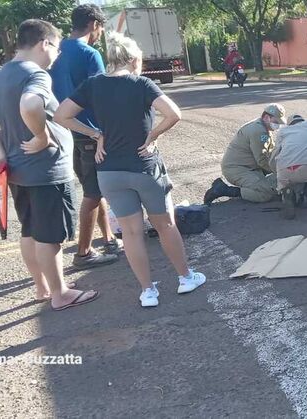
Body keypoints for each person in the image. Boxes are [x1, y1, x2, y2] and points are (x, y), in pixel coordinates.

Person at [55, 32, 206, 308]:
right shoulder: (142, 84)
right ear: (135, 59)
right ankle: (186, 277)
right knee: (165, 225)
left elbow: (61, 115)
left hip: (109, 171)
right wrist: (153, 136)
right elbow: (173, 113)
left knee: (131, 232)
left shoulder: (93, 85)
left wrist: (95, 134)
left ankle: (147, 291)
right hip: (144, 166)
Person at [0, 19, 99, 310]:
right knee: (50, 237)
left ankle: (41, 288)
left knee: (30, 231)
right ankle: (61, 294)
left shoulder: (2, 75)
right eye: (56, 48)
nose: (56, 56)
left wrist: (3, 155)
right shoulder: (36, 74)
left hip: (19, 171)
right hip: (45, 170)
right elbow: (31, 104)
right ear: (44, 43)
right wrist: (42, 136)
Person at [49, 3, 121, 268]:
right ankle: (83, 253)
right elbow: (100, 94)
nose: (99, 34)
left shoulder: (55, 52)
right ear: (94, 25)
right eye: (100, 28)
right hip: (91, 131)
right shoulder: (90, 54)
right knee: (92, 193)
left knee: (93, 187)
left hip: (65, 131)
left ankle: (109, 237)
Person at [203, 104, 285, 204]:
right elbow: (262, 160)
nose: (278, 125)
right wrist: (280, 172)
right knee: (265, 193)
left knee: (273, 183)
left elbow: (269, 154)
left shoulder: (263, 127)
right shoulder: (259, 131)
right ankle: (224, 190)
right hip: (237, 169)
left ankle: (253, 183)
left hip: (248, 167)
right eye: (276, 122)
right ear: (267, 117)